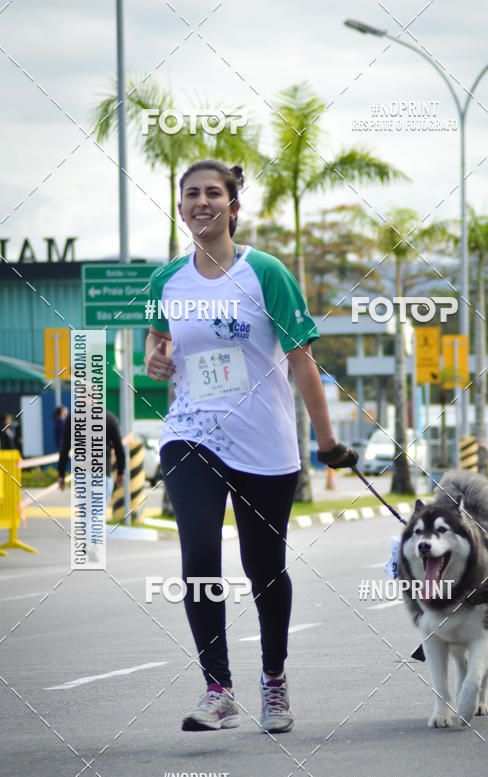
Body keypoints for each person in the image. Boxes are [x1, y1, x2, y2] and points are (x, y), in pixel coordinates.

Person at [145, 158, 356, 734]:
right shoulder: (167, 280)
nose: (201, 202)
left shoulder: (265, 273)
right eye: (191, 194)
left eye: (213, 193)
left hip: (263, 442)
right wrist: (155, 358)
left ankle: (274, 681)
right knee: (198, 560)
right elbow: (157, 343)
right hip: (191, 434)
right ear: (182, 207)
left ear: (233, 208)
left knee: (264, 567)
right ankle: (217, 689)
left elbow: (302, 361)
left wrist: (328, 441)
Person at [58, 408, 126, 501]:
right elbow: (119, 448)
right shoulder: (109, 417)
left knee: (85, 513)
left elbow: (65, 448)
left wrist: (61, 474)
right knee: (98, 513)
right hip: (102, 472)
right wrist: (120, 472)